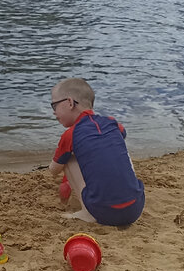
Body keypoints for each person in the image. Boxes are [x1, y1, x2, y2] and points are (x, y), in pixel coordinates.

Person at [46, 77, 145, 227]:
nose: (54, 112)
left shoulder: (70, 134)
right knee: (115, 144)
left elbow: (54, 170)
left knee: (68, 158)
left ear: (70, 103)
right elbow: (121, 135)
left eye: (54, 105)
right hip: (135, 209)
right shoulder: (112, 123)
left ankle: (87, 212)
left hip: (104, 213)